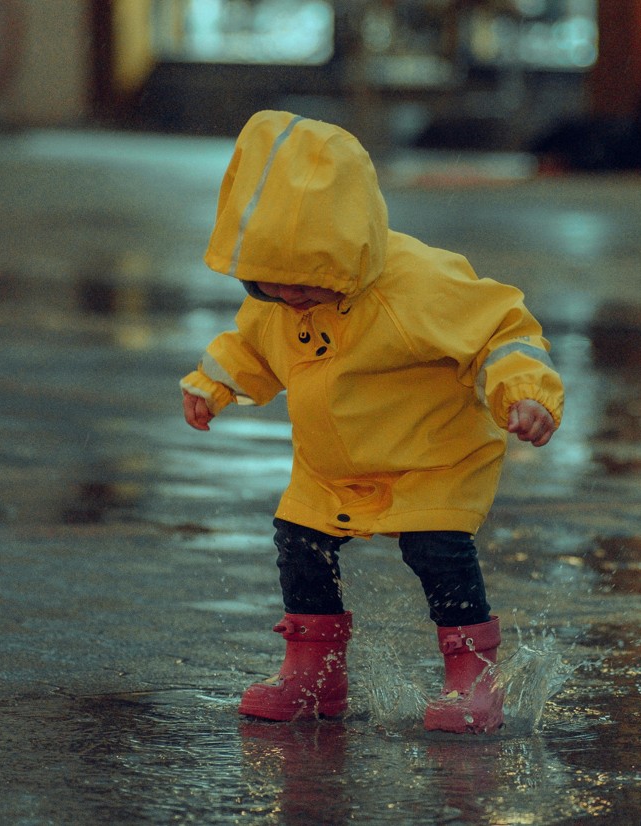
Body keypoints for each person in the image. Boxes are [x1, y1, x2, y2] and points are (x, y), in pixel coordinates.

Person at [181, 110, 564, 733]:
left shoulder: (417, 284)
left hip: (428, 461)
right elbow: (251, 344)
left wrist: (525, 392)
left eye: (305, 287)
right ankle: (314, 676)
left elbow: (502, 329)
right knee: (299, 545)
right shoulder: (280, 302)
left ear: (341, 254)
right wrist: (214, 383)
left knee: (438, 553)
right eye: (270, 288)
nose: (290, 301)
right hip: (328, 468)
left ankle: (473, 679)